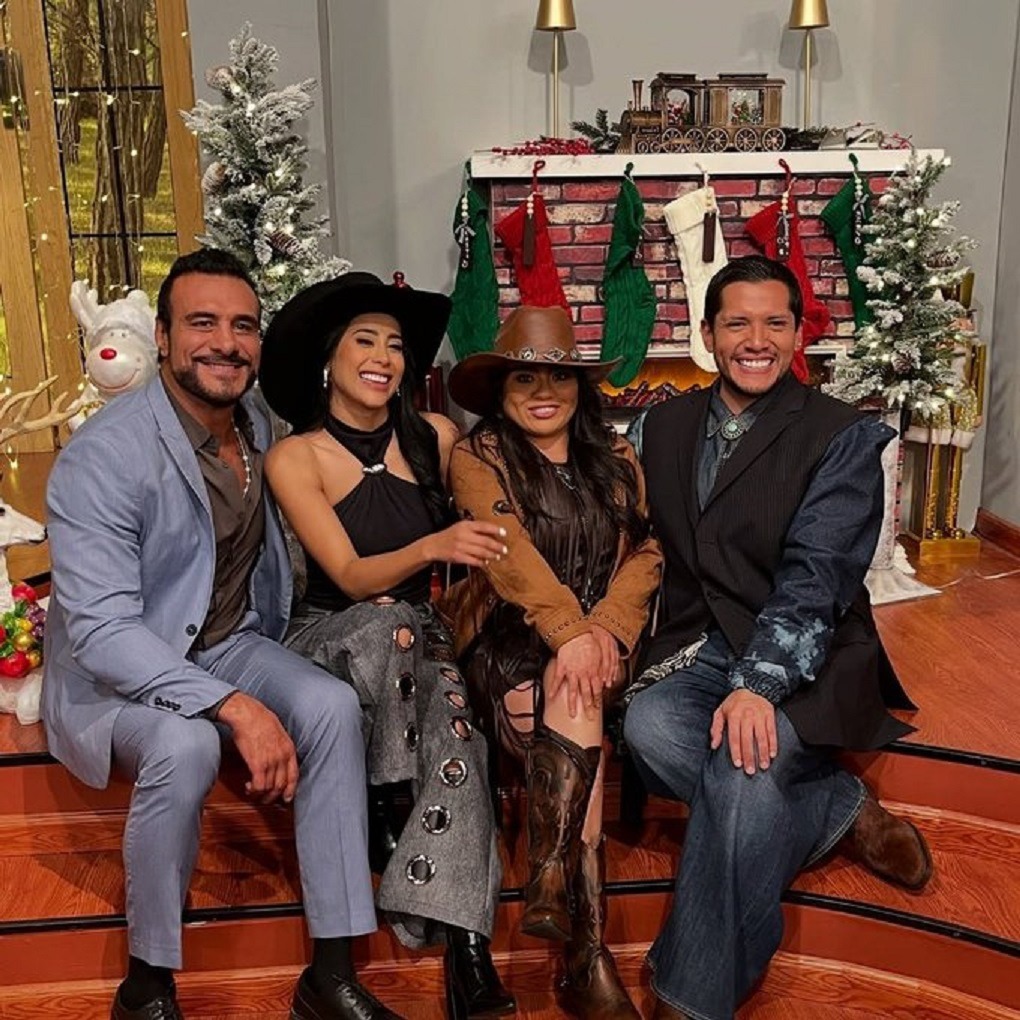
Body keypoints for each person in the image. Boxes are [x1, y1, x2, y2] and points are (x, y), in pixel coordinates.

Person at [42, 249, 400, 1020]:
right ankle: (146, 987)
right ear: (163, 337)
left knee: (332, 706)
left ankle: (331, 976)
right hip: (119, 671)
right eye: (202, 323)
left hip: (227, 640)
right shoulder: (102, 457)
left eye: (243, 326)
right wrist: (234, 707)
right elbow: (101, 631)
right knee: (187, 744)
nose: (226, 344)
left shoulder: (263, 427)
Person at [622, 255, 934, 1020]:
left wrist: (757, 685)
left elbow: (817, 577)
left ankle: (690, 998)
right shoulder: (659, 426)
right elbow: (630, 544)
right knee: (648, 727)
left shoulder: (843, 436)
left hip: (808, 650)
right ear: (707, 335)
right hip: (699, 643)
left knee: (743, 767)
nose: (755, 340)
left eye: (774, 323)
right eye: (737, 323)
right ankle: (833, 805)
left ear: (799, 335)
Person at [258, 271, 515, 1020]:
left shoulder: (435, 436)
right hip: (331, 632)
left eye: (395, 345)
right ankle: (389, 797)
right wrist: (432, 544)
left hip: (419, 636)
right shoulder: (295, 457)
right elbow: (347, 573)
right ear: (328, 360)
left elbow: (496, 520)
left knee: (459, 735)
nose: (383, 357)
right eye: (364, 341)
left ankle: (468, 950)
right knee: (388, 620)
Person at [443, 306, 662, 1020]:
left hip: (601, 647)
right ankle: (588, 951)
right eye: (525, 379)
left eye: (560, 379)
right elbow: (505, 550)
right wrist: (570, 633)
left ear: (580, 388)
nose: (544, 393)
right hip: (510, 644)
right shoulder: (479, 457)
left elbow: (648, 550)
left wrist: (604, 630)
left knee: (577, 688)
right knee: (578, 693)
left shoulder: (618, 456)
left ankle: (549, 879)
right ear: (501, 390)